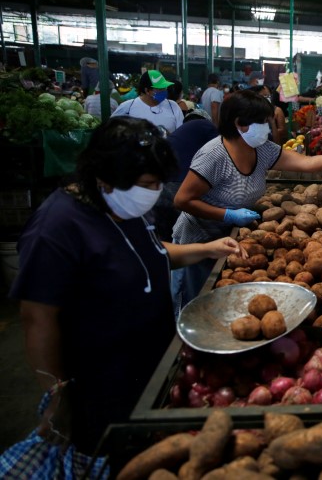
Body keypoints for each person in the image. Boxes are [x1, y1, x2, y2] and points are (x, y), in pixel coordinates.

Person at [11, 116, 244, 455]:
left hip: (149, 362)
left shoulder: (125, 204)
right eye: (149, 183)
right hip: (100, 379)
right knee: (110, 456)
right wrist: (56, 396)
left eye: (156, 184)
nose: (155, 193)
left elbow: (149, 252)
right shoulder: (56, 227)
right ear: (104, 178)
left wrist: (205, 249)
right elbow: (37, 317)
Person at [171, 90, 322, 311]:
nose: (268, 127)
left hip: (231, 236)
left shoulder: (261, 149)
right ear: (240, 124)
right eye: (263, 122)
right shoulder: (214, 156)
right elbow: (182, 200)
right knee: (195, 302)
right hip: (198, 239)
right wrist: (226, 214)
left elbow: (306, 163)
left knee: (221, 304)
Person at [152, 109, 218, 240]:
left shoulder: (181, 134)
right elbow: (223, 154)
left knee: (166, 239)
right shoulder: (206, 125)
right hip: (178, 185)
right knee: (190, 236)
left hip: (158, 187)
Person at [112, 70, 184, 134]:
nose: (164, 90)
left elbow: (181, 134)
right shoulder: (127, 108)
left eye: (165, 88)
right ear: (147, 91)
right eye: (160, 89)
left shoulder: (173, 106)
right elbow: (112, 131)